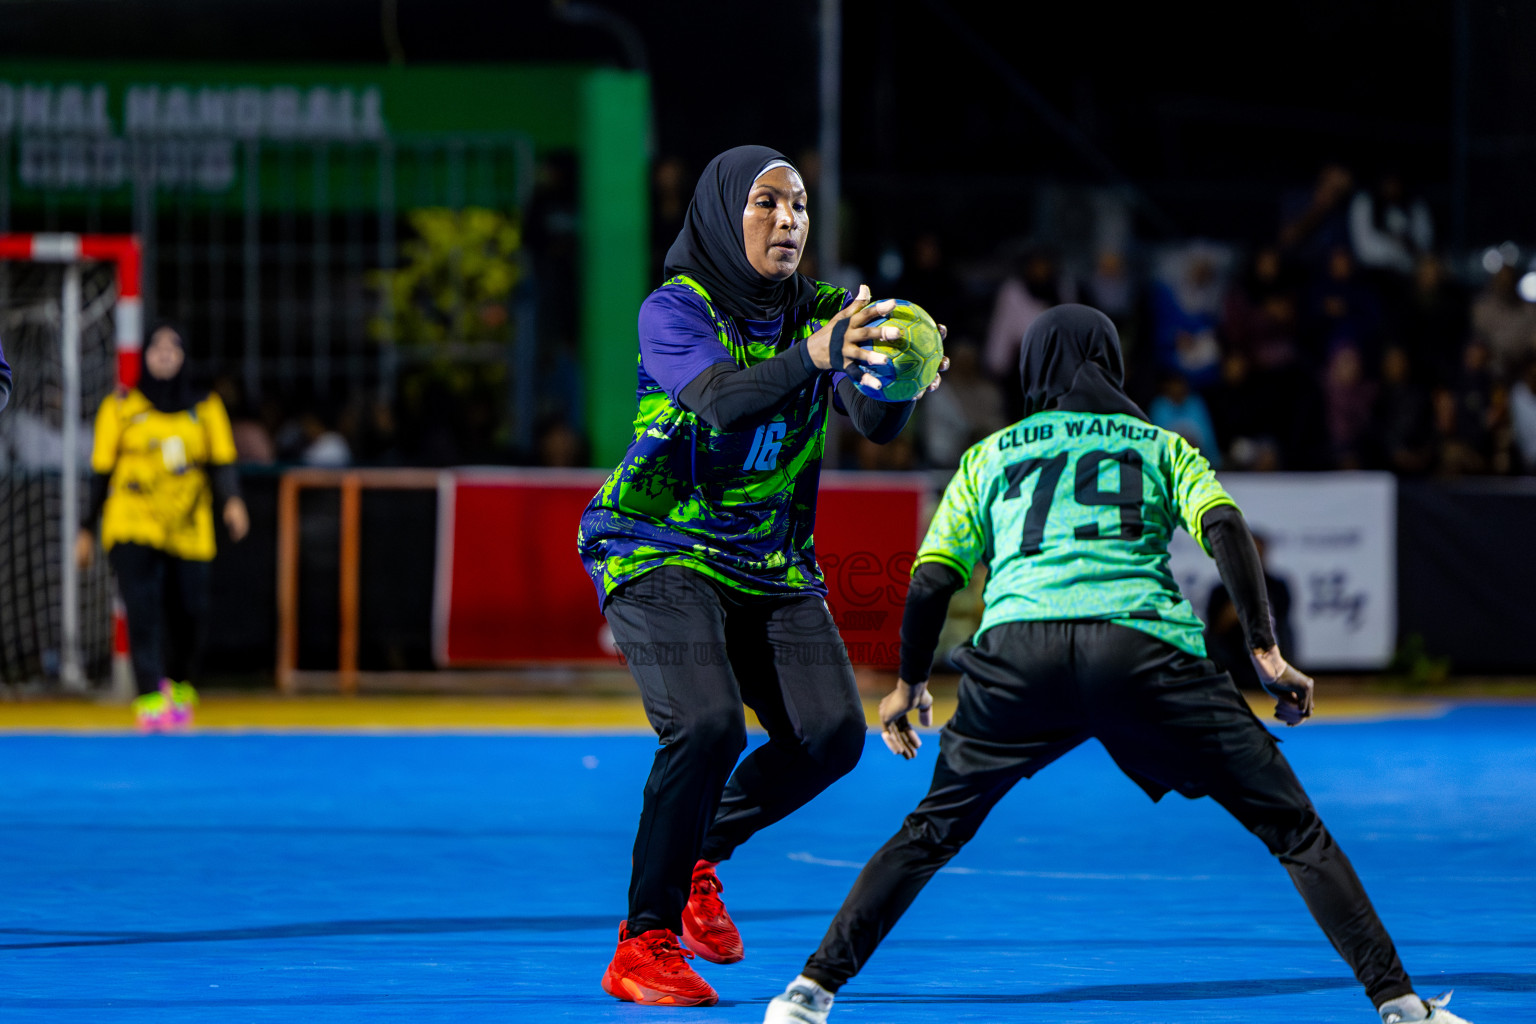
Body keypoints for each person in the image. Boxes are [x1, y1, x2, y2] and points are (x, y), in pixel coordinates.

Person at [764, 305, 1474, 1024]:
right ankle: (1401, 1004)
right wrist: (1266, 652)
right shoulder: (1161, 443)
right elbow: (1226, 527)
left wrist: (908, 686)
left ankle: (808, 993)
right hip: (1143, 652)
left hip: (1019, 661)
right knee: (1294, 831)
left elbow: (931, 580)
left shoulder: (992, 453)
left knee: (930, 832)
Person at [576, 145, 946, 1008]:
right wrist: (817, 356)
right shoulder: (676, 307)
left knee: (831, 737)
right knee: (705, 726)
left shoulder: (825, 312)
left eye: (800, 207)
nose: (788, 221)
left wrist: (903, 373)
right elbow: (718, 400)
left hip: (769, 564)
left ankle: (700, 853)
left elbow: (873, 421)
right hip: (655, 543)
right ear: (719, 214)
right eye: (767, 204)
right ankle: (644, 940)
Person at [76, 323, 249, 731]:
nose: (165, 353)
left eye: (174, 346)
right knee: (142, 606)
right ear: (145, 356)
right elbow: (101, 472)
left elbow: (222, 461)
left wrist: (234, 502)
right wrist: (85, 528)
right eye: (157, 346)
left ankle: (179, 681)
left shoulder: (205, 405)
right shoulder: (120, 406)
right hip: (132, 519)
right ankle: (149, 695)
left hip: (188, 521)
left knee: (190, 609)